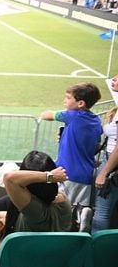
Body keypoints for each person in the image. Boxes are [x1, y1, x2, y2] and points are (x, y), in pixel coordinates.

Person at [39, 83, 102, 213]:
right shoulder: (96, 120)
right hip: (86, 174)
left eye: (68, 98)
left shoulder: (71, 115)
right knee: (78, 209)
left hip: (67, 172)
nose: (64, 101)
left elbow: (46, 115)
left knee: (62, 210)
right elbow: (95, 145)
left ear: (80, 103)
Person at [0, 151, 72, 241]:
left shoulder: (35, 211)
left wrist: (50, 176)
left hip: (24, 253)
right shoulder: (62, 197)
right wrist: (50, 177)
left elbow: (9, 179)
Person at [92, 104, 118, 233]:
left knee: (102, 212)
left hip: (113, 166)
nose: (113, 81)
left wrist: (104, 172)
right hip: (111, 162)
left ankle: (97, 249)